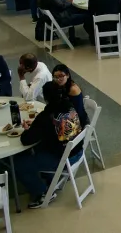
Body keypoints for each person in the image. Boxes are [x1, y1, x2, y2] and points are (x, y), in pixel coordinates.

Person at [17, 81, 84, 209]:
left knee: (20, 164)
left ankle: (42, 192)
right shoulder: (70, 105)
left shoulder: (45, 117)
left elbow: (26, 140)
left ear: (46, 98)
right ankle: (50, 179)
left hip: (64, 159)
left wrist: (28, 129)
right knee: (40, 149)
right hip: (78, 152)